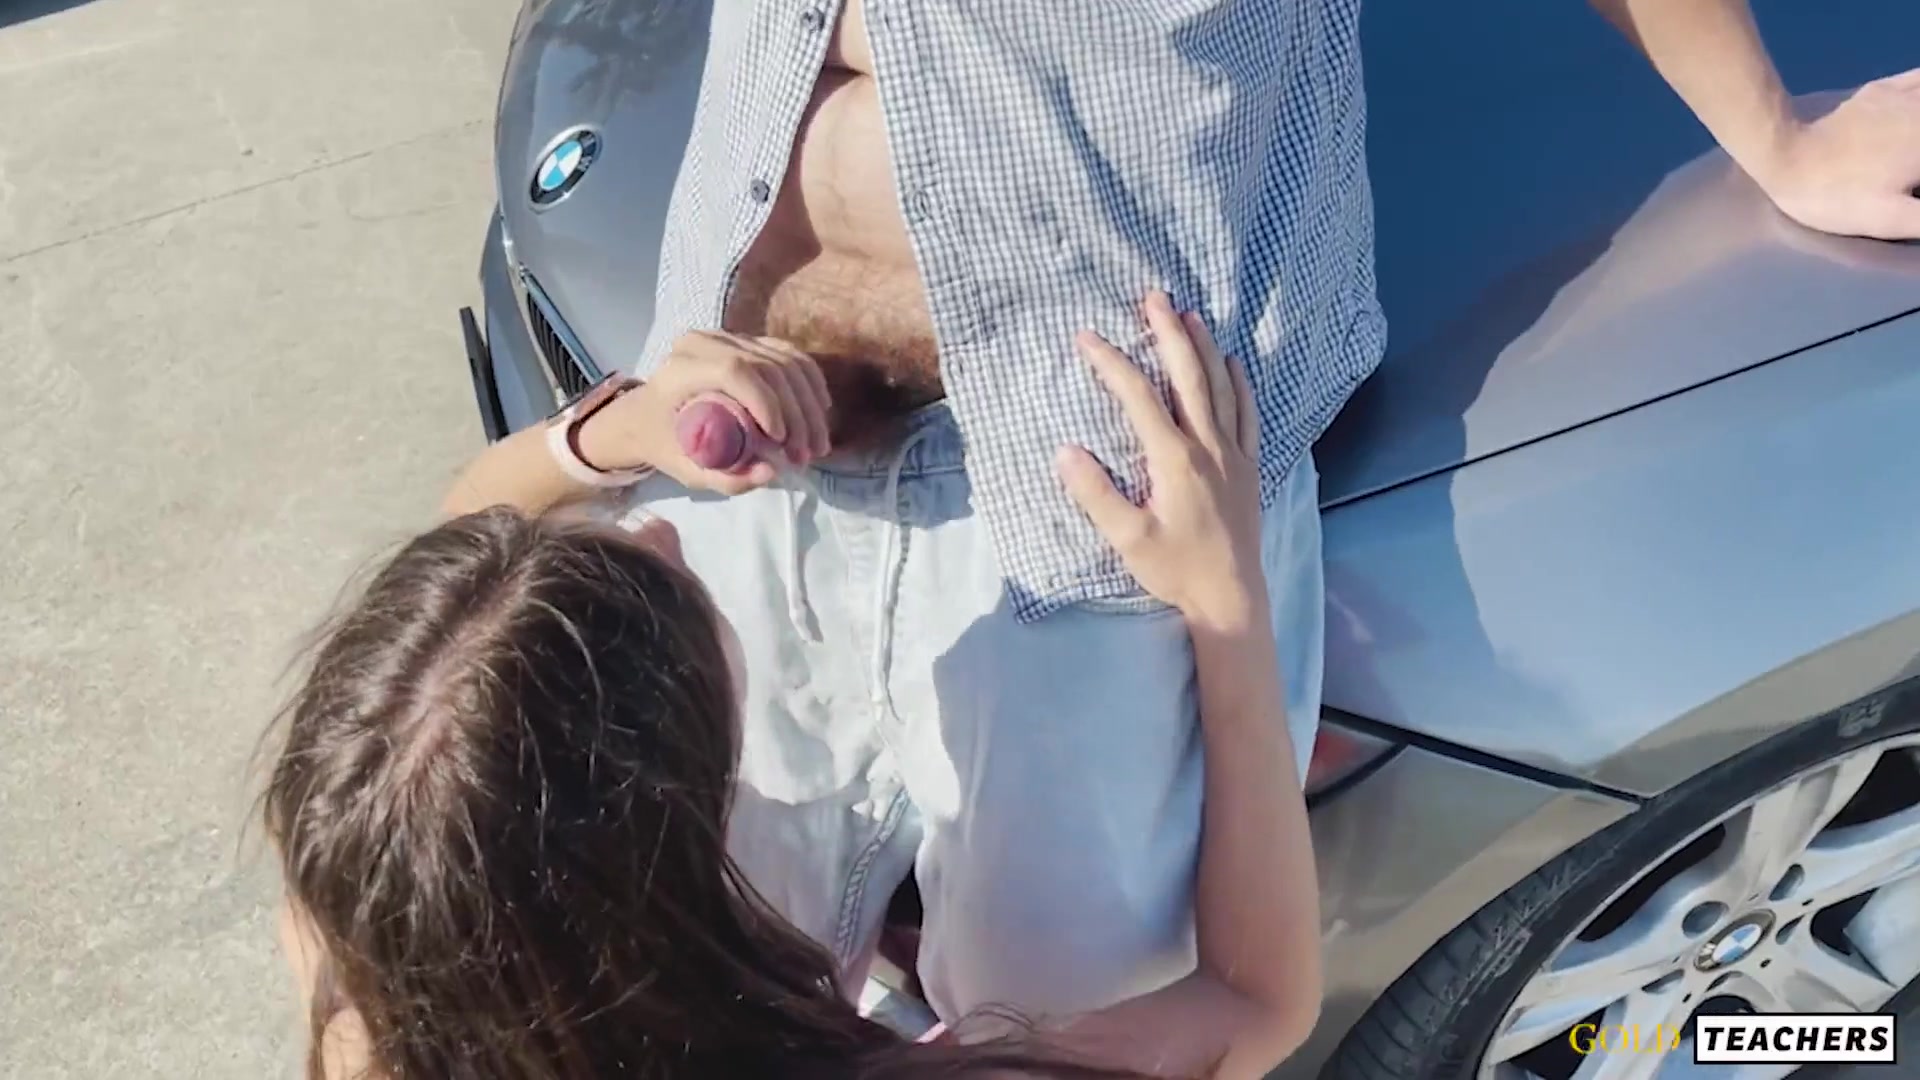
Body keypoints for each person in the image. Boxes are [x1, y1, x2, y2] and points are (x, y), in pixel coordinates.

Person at [477, 0, 1920, 1027]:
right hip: (757, 468)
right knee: (687, 982)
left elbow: (1232, 1015)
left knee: (1033, 1018)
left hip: (1093, 518)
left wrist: (1777, 135)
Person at [268, 313, 1319, 1079]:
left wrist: (606, 435)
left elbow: (466, 530)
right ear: (677, 820)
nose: (660, 523)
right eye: (674, 589)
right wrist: (1224, 599)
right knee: (1059, 982)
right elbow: (1258, 1002)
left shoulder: (359, 962)